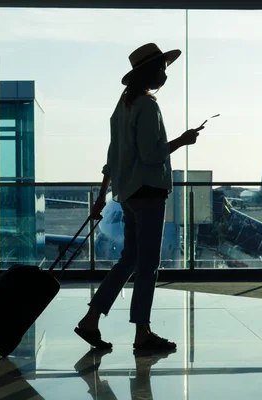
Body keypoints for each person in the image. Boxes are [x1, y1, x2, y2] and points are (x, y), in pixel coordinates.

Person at [74, 43, 203, 351]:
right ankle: (142, 333)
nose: (165, 74)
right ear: (150, 72)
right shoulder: (147, 106)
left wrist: (101, 197)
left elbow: (112, 158)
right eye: (162, 68)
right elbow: (151, 154)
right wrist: (183, 141)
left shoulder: (121, 109)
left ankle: (91, 320)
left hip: (128, 194)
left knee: (129, 259)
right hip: (148, 193)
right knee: (147, 265)